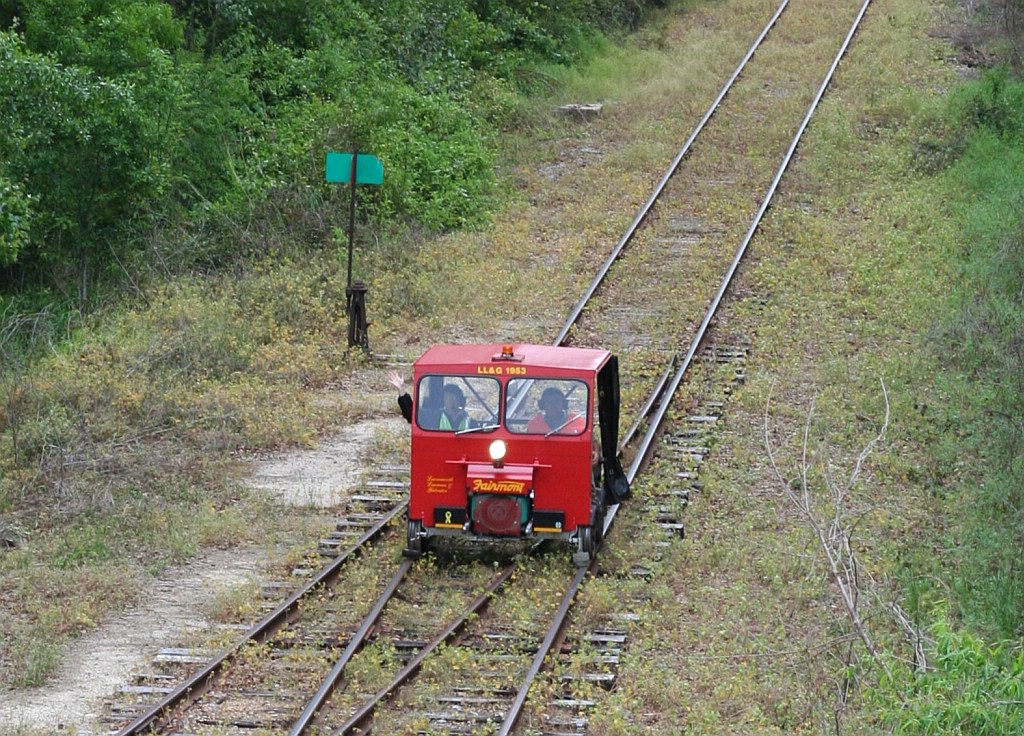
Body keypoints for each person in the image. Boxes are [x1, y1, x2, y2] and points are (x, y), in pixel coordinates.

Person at [388, 371, 471, 431]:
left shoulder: (470, 420)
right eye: (448, 398)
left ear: (461, 400)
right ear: (443, 401)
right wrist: (401, 389)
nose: (452, 401)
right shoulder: (433, 416)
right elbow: (411, 414)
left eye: (454, 398)